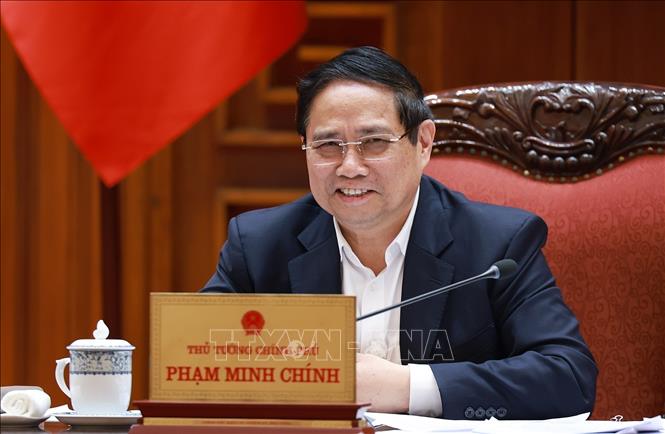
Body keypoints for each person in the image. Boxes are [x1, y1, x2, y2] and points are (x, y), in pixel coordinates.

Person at [202, 46, 597, 420]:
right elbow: (193, 361)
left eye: (374, 142)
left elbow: (568, 378)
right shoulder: (258, 245)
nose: (349, 167)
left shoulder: (497, 245)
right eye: (328, 145)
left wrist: (408, 387)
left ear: (423, 143)